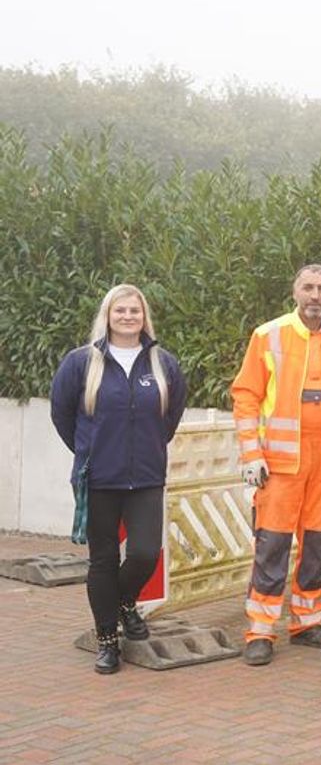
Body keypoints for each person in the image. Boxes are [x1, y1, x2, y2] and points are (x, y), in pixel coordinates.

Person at [232, 264, 321, 666]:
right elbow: (246, 396)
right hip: (278, 466)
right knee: (271, 549)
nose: (315, 295)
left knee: (317, 549)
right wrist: (251, 455)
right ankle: (260, 631)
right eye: (308, 287)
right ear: (295, 292)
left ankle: (307, 623)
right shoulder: (268, 335)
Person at [50, 284, 188, 674]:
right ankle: (107, 640)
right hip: (98, 479)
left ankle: (125, 602)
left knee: (145, 552)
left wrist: (148, 449)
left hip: (145, 477)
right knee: (103, 561)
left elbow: (171, 416)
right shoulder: (81, 363)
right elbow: (62, 415)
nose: (128, 317)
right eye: (120, 311)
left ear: (145, 317)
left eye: (135, 311)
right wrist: (88, 450)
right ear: (107, 316)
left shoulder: (164, 364)